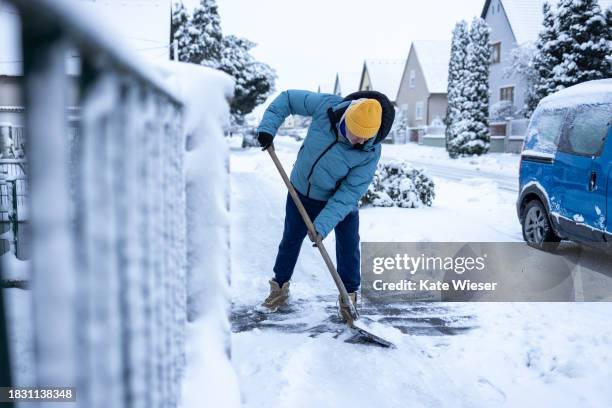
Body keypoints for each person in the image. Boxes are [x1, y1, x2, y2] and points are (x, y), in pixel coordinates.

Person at [256, 89, 394, 321]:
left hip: (338, 200)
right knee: (290, 239)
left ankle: (348, 298)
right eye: (356, 134)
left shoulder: (370, 151)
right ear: (346, 118)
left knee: (349, 246)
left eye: (366, 137)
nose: (360, 141)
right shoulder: (326, 106)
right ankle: (278, 289)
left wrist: (322, 225)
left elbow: (349, 192)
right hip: (300, 191)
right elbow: (288, 99)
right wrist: (268, 128)